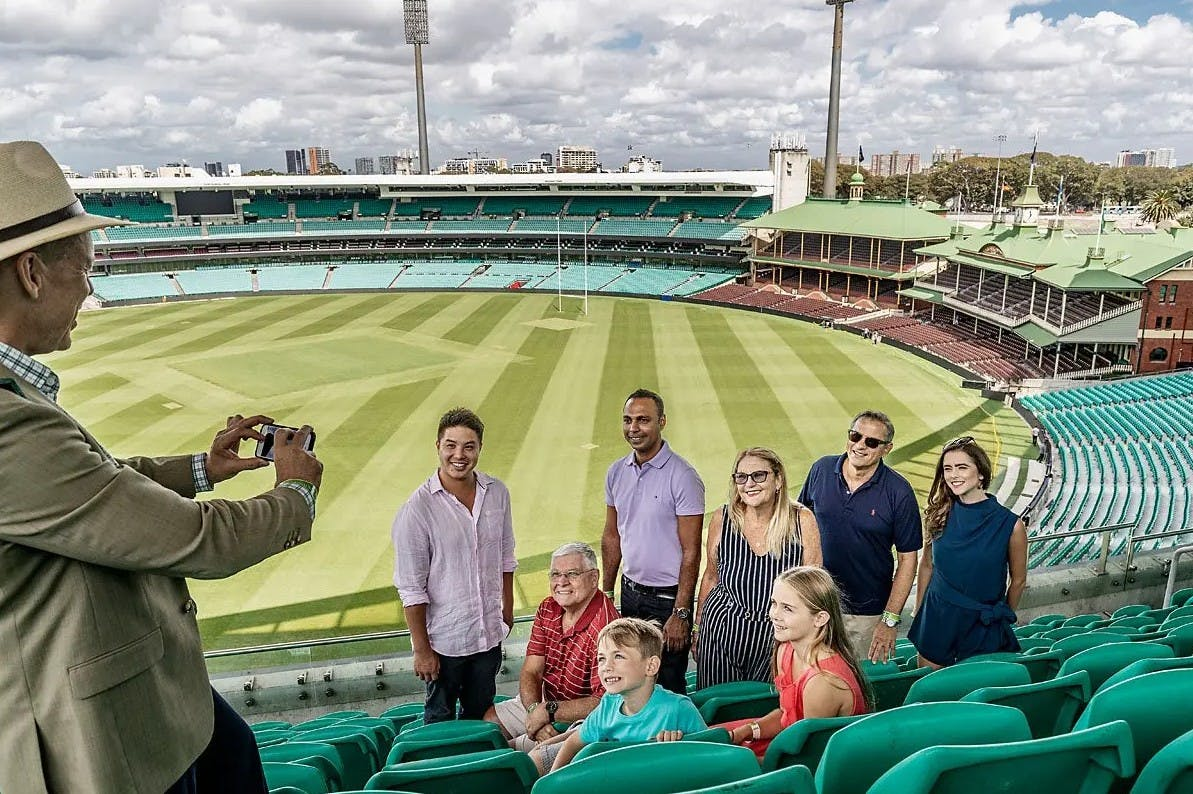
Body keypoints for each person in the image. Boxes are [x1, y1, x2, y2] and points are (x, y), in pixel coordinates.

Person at [0, 140, 324, 794]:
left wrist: (203, 467)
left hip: (148, 704)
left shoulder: (17, 399)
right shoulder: (8, 425)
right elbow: (195, 539)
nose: (90, 288)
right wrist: (296, 492)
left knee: (235, 752)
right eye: (84, 269)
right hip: (101, 743)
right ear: (32, 273)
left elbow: (97, 483)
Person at [393, 407, 516, 723]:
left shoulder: (497, 493)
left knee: (482, 718)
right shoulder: (417, 509)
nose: (459, 455)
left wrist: (507, 610)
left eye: (468, 446)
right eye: (451, 445)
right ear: (438, 446)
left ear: (479, 449)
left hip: (487, 636)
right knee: (439, 722)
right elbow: (411, 588)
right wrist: (421, 651)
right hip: (444, 644)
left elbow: (506, 556)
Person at [602, 388, 705, 694]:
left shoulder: (683, 476)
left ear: (662, 421)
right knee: (630, 682)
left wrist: (681, 612)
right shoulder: (616, 472)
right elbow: (612, 536)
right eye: (628, 420)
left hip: (667, 601)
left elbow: (691, 552)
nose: (633, 428)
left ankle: (669, 742)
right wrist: (607, 593)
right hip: (630, 593)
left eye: (643, 420)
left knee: (669, 685)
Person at [798, 410, 923, 662]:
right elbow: (799, 525)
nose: (860, 446)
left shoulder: (899, 492)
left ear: (887, 449)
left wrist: (889, 621)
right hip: (815, 605)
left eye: (872, 442)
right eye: (856, 436)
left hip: (865, 614)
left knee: (856, 688)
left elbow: (908, 561)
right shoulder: (821, 469)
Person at [695, 447, 822, 688]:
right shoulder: (723, 517)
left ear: (778, 479)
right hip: (722, 629)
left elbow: (814, 590)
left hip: (777, 635)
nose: (749, 484)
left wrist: (810, 640)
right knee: (719, 704)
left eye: (758, 475)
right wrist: (698, 627)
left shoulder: (801, 520)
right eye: (741, 477)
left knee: (767, 707)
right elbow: (711, 577)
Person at [718, 566, 870, 758]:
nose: (774, 614)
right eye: (774, 603)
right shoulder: (786, 649)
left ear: (820, 618)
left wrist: (746, 762)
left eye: (787, 608)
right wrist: (747, 731)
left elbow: (809, 755)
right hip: (792, 744)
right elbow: (786, 716)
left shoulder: (822, 682)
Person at [485, 542, 619, 751]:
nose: (562, 582)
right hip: (546, 703)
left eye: (572, 574)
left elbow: (605, 702)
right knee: (490, 725)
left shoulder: (607, 628)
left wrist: (548, 711)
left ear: (594, 578)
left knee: (513, 752)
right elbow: (532, 671)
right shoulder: (548, 607)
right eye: (555, 574)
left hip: (586, 717)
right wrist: (534, 711)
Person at [908, 437, 1027, 667]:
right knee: (932, 691)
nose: (953, 475)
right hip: (936, 618)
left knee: (972, 690)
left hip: (983, 624)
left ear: (981, 473)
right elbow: (927, 564)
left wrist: (1001, 617)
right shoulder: (937, 514)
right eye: (947, 469)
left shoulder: (1011, 525)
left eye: (962, 467)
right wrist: (919, 611)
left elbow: (1019, 580)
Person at [543, 617, 708, 772]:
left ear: (651, 666)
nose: (606, 666)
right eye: (601, 659)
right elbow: (574, 742)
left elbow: (711, 752)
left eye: (618, 656)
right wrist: (553, 779)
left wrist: (681, 745)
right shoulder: (608, 705)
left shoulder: (678, 709)